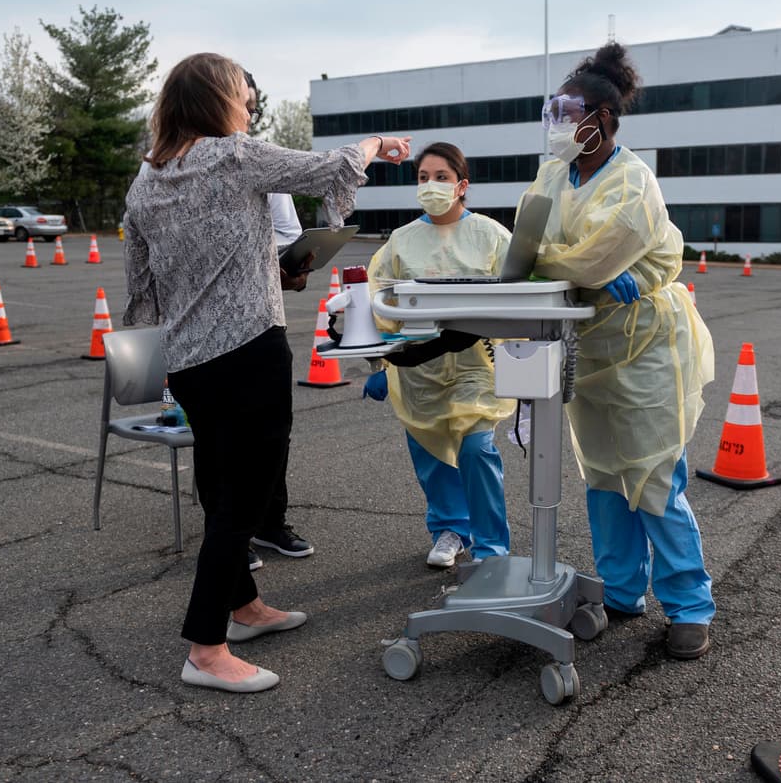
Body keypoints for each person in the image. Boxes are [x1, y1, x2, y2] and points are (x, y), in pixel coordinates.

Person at [123, 52, 410, 692]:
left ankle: (243, 607)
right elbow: (332, 169)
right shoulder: (235, 155)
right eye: (240, 96)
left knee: (222, 490)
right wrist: (374, 143)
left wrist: (147, 375)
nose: (248, 105)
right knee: (244, 501)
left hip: (189, 363)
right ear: (214, 103)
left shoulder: (146, 181)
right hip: (249, 350)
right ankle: (205, 648)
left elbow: (142, 292)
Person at [522, 42, 717, 660]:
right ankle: (624, 593)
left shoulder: (633, 183)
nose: (558, 124)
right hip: (591, 342)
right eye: (552, 111)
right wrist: (536, 269)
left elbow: (580, 260)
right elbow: (534, 241)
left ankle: (689, 605)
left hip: (645, 348)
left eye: (568, 112)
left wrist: (539, 270)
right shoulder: (555, 173)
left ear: (603, 118)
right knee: (604, 478)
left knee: (655, 478)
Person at [365, 142, 515, 568]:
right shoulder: (400, 242)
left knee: (476, 450)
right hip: (418, 369)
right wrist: (378, 364)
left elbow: (519, 293)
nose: (431, 186)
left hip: (477, 366)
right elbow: (377, 302)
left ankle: (491, 549)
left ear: (461, 185)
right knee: (431, 456)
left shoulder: (490, 235)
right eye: (423, 178)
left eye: (441, 178)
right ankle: (450, 530)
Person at [239, 69, 315, 571]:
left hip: (266, 316)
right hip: (206, 330)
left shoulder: (264, 160)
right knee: (223, 435)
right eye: (238, 103)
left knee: (274, 426)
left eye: (250, 105)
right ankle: (229, 536)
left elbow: (288, 232)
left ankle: (270, 522)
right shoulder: (169, 165)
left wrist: (293, 264)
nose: (246, 115)